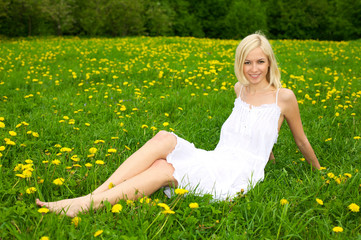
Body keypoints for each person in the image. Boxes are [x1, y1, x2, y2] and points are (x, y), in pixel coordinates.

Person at [36, 32, 321, 217]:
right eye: (248, 62)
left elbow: (300, 140)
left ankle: (84, 206)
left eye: (260, 62)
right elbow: (256, 129)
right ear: (240, 64)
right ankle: (96, 193)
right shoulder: (240, 89)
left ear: (270, 63)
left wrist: (319, 172)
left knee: (163, 169)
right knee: (163, 137)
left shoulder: (284, 98)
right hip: (218, 156)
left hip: (237, 172)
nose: (254, 69)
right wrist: (268, 151)